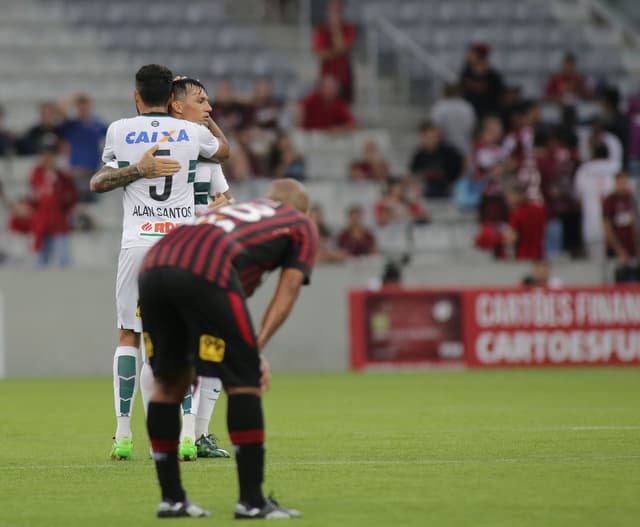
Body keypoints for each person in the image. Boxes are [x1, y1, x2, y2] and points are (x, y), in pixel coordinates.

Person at [138, 179, 316, 518]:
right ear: (303, 211)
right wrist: (255, 349)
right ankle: (251, 502)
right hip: (204, 269)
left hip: (152, 265)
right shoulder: (299, 223)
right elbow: (289, 288)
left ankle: (172, 499)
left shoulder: (238, 212)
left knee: (169, 383)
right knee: (245, 380)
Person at [89, 64, 230, 461]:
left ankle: (122, 435)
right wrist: (207, 120)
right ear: (172, 98)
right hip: (181, 246)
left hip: (138, 242)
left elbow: (98, 183)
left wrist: (138, 170)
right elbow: (226, 151)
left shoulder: (119, 130)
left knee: (128, 335)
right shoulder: (192, 132)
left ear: (136, 96)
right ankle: (186, 433)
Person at [160, 76, 234, 459]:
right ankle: (169, 433)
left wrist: (212, 210)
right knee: (165, 349)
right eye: (201, 101)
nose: (209, 107)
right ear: (175, 104)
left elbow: (225, 196)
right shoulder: (160, 144)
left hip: (203, 256)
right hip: (167, 256)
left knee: (214, 346)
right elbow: (162, 209)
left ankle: (199, 434)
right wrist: (205, 212)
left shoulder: (205, 149)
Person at [29, 137, 78, 267]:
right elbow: (34, 198)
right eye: (45, 154)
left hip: (59, 223)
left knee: (64, 262)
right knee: (40, 264)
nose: (48, 157)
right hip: (42, 224)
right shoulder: (36, 173)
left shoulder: (63, 176)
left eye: (51, 154)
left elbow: (72, 197)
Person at [58, 93, 108, 202]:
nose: (83, 110)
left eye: (85, 106)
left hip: (92, 172)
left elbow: (113, 135)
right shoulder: (72, 124)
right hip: (75, 173)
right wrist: (73, 97)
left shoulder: (97, 124)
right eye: (80, 107)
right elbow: (60, 110)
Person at [574, 142, 616, 258]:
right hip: (616, 226)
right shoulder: (616, 168)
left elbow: (577, 198)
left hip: (592, 223)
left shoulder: (583, 171)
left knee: (596, 263)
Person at [313, 0, 357, 102]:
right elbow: (320, 54)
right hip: (326, 79)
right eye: (332, 9)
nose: (334, 13)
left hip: (344, 79)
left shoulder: (348, 28)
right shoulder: (322, 29)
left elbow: (343, 47)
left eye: (337, 9)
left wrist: (336, 29)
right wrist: (337, 52)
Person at [409, 121, 463, 199]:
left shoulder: (449, 152)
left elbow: (464, 163)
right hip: (427, 191)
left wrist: (455, 183)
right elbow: (413, 174)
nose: (430, 138)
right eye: (427, 136)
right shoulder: (419, 154)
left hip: (447, 191)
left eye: (432, 135)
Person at [602, 172, 639, 282]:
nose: (623, 185)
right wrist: (619, 251)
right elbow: (607, 227)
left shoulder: (631, 199)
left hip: (632, 249)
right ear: (615, 183)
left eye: (625, 182)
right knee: (616, 281)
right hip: (615, 251)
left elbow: (635, 225)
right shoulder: (609, 201)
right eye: (621, 182)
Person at [459, 42, 505, 120]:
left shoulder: (493, 76)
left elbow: (500, 96)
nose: (468, 56)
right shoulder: (466, 73)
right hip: (469, 114)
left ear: (479, 55)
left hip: (487, 115)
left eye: (471, 53)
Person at [430, 83, 476, 156]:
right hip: (464, 147)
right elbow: (472, 129)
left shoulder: (440, 107)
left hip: (445, 150)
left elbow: (435, 130)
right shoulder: (467, 107)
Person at [504, 182, 546, 261]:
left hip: (523, 255)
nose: (508, 200)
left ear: (518, 195)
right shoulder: (540, 209)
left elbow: (511, 238)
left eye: (510, 196)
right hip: (539, 254)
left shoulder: (517, 213)